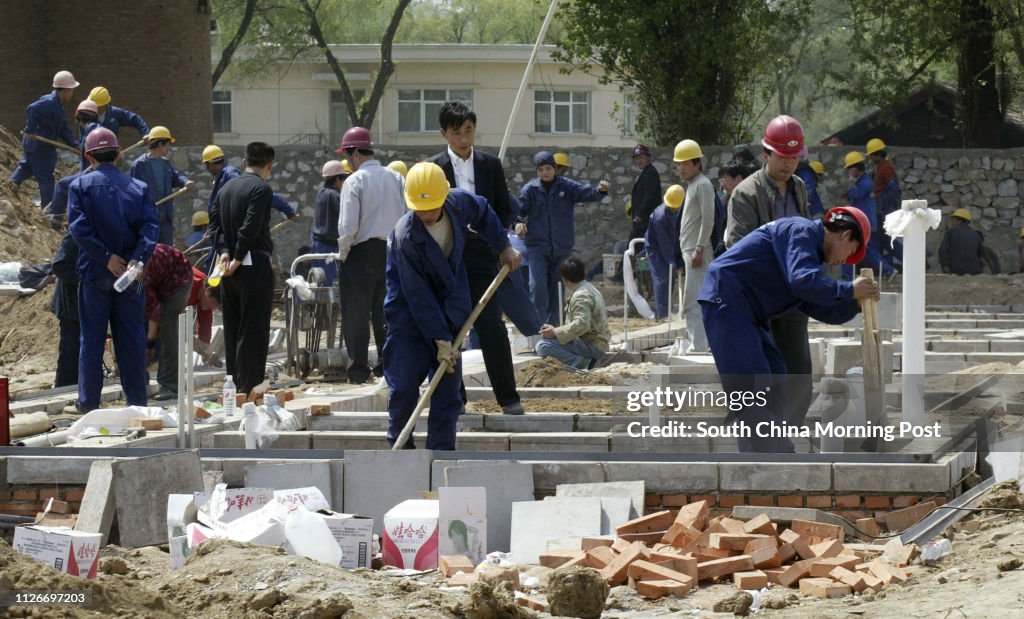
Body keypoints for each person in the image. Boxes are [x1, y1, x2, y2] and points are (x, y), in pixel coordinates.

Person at [700, 207, 878, 452]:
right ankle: (777, 455)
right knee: (750, 387)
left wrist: (855, 304)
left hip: (746, 311)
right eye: (852, 252)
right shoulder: (800, 230)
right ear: (845, 235)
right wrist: (848, 289)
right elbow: (803, 281)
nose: (845, 261)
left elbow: (818, 306)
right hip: (727, 299)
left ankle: (762, 455)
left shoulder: (807, 257)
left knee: (774, 375)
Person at [384, 162, 520, 450]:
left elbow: (483, 211)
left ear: (444, 197)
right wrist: (440, 339)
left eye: (432, 207)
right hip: (409, 315)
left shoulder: (458, 204)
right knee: (405, 386)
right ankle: (399, 452)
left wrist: (503, 246)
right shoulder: (405, 237)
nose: (426, 214)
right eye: (419, 210)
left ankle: (441, 453)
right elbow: (418, 296)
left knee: (447, 392)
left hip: (449, 306)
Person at [428, 101, 530, 415]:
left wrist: (503, 241)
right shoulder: (433, 170)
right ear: (444, 133)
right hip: (446, 257)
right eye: (456, 133)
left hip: (483, 253)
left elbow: (502, 207)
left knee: (491, 326)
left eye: (469, 131)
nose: (463, 139)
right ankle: (454, 399)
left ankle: (508, 397)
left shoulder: (489, 165)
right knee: (450, 329)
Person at [726, 114, 814, 426]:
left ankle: (791, 427)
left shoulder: (800, 188)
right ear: (766, 155)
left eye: (794, 157)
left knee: (799, 365)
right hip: (758, 294)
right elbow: (739, 248)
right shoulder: (746, 193)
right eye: (783, 157)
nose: (789, 164)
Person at [67, 127, 159, 413]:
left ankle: (89, 405)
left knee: (92, 341)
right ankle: (137, 404)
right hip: (130, 277)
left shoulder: (79, 187)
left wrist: (105, 258)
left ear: (87, 156)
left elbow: (79, 229)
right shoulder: (138, 188)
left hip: (95, 274)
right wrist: (136, 260)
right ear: (119, 154)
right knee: (131, 341)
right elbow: (150, 227)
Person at [336, 127, 407, 384]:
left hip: (360, 252)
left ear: (354, 154)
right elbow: (406, 217)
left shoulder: (354, 181)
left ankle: (358, 370)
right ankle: (387, 365)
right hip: (392, 250)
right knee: (385, 311)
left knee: (356, 313)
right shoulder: (396, 178)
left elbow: (347, 226)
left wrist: (343, 255)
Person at [208, 141, 277, 396]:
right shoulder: (261, 189)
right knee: (254, 327)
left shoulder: (225, 188)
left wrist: (225, 254)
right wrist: (238, 256)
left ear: (244, 161)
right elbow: (251, 226)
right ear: (268, 166)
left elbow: (215, 226)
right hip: (252, 263)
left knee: (233, 325)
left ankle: (235, 383)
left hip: (227, 269)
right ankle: (251, 386)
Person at [518, 151, 610, 325]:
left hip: (561, 248)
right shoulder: (530, 190)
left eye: (548, 168)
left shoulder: (566, 187)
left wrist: (600, 190)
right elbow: (518, 212)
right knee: (537, 287)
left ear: (554, 168)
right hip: (537, 247)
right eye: (540, 169)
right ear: (537, 172)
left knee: (557, 289)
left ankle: (553, 328)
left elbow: (586, 192)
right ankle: (536, 328)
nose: (545, 172)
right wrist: (518, 224)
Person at [11, 70, 80, 207]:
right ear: (66, 90)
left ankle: (9, 187)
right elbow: (32, 108)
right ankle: (48, 210)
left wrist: (73, 144)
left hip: (35, 145)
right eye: (71, 90)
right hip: (40, 146)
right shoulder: (49, 102)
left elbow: (63, 127)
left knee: (26, 168)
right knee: (46, 179)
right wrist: (30, 129)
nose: (72, 94)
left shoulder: (57, 105)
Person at [674, 139, 715, 353]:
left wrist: (699, 248)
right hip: (690, 250)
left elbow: (708, 220)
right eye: (678, 164)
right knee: (691, 299)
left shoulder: (703, 185)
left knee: (694, 300)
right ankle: (698, 343)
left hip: (697, 251)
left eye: (685, 163)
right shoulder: (693, 185)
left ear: (697, 164)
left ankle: (698, 345)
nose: (681, 168)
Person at [535, 257, 610, 369]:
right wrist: (555, 331)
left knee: (543, 346)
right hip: (596, 344)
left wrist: (555, 332)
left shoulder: (581, 295)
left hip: (593, 346)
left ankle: (581, 363)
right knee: (549, 341)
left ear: (564, 280)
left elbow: (581, 325)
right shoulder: (589, 288)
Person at [143, 243, 194, 400]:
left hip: (179, 281)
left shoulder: (141, 276)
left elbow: (155, 313)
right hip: (161, 278)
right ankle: (140, 378)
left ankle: (170, 386)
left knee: (168, 328)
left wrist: (149, 344)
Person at [130, 126, 195, 246]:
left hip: (165, 218)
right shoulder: (139, 164)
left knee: (166, 251)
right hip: (148, 216)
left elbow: (176, 177)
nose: (169, 148)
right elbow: (133, 192)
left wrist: (185, 181)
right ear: (160, 144)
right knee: (150, 251)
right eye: (167, 144)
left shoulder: (165, 163)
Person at [843, 151, 894, 278]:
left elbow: (856, 194)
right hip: (862, 220)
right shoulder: (863, 181)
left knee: (855, 247)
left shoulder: (865, 182)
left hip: (864, 221)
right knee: (865, 249)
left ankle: (888, 270)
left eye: (850, 169)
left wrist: (851, 182)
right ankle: (888, 270)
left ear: (855, 168)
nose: (849, 172)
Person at [645, 185, 685, 319]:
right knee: (662, 278)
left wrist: (679, 259)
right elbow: (664, 242)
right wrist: (673, 261)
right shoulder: (660, 216)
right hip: (655, 249)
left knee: (670, 279)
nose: (674, 208)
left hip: (671, 246)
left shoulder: (682, 210)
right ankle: (662, 316)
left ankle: (668, 312)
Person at [308, 160, 349, 287]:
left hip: (317, 243)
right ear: (337, 179)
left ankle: (318, 307)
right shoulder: (335, 196)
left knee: (319, 283)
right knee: (331, 285)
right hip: (329, 245)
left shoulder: (321, 193)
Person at [49, 230, 81, 388]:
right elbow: (59, 265)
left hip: (86, 303)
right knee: (70, 350)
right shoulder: (77, 234)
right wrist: (85, 279)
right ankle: (64, 387)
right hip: (70, 304)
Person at [867, 138, 903, 266]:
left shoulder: (886, 169)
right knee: (881, 239)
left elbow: (894, 192)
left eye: (872, 155)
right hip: (880, 209)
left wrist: (881, 205)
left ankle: (909, 261)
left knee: (886, 239)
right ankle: (884, 267)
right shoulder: (879, 168)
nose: (871, 158)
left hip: (884, 210)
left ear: (878, 154)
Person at [629, 144, 661, 243]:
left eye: (641, 157)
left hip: (645, 220)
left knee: (634, 247)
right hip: (643, 221)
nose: (639, 160)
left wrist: (639, 214)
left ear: (648, 158)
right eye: (637, 158)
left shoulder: (649, 172)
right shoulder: (647, 172)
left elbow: (649, 195)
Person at [938, 208, 985, 275]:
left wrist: (945, 266)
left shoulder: (950, 232)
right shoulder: (976, 234)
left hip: (955, 271)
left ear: (959, 220)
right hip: (974, 272)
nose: (952, 222)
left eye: (953, 220)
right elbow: (981, 254)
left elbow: (943, 251)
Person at [74, 99, 102, 171]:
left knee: (63, 182)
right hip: (90, 171)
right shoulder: (91, 129)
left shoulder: (92, 129)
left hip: (91, 172)